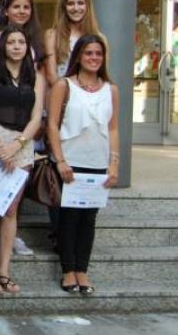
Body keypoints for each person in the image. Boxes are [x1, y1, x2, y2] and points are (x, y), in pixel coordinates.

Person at [46, 34, 119, 296]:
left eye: (98, 53)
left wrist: (113, 163)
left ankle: (82, 270)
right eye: (88, 53)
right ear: (78, 56)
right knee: (68, 218)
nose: (94, 58)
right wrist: (60, 160)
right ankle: (68, 270)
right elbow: (52, 124)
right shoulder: (64, 86)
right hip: (69, 162)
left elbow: (112, 128)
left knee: (89, 219)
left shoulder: (111, 89)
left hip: (97, 163)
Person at [0, 26, 44, 295]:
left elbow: (37, 117)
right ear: (2, 46)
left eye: (21, 42)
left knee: (12, 209)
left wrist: (17, 144)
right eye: (11, 42)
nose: (16, 46)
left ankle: (4, 269)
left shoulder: (36, 76)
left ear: (28, 46)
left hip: (22, 143)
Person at [44, 0, 103, 85]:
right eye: (71, 3)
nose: (76, 8)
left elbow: (101, 75)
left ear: (87, 6)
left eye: (80, 3)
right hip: (61, 96)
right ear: (64, 7)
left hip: (90, 96)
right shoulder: (52, 35)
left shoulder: (99, 38)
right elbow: (51, 75)